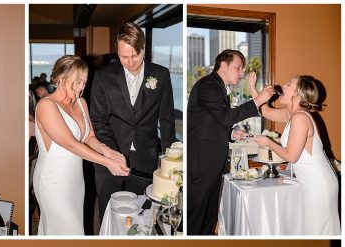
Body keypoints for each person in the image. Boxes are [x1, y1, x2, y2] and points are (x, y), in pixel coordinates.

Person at [89, 22, 177, 217]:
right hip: (109, 161)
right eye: (124, 57)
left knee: (143, 216)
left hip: (146, 161)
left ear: (143, 48)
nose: (130, 62)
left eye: (135, 55)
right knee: (109, 216)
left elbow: (167, 119)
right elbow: (98, 121)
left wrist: (170, 161)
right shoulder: (103, 76)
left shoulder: (161, 75)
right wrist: (112, 155)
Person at [34, 55, 128, 236]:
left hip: (75, 180)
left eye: (84, 82)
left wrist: (108, 152)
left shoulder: (81, 102)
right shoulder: (46, 105)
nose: (81, 88)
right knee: (67, 231)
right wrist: (106, 162)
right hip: (53, 182)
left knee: (74, 228)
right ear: (61, 79)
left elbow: (89, 137)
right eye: (76, 82)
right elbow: (70, 144)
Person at [186, 50, 276, 235]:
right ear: (224, 66)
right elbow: (226, 117)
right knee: (196, 218)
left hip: (210, 164)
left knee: (208, 217)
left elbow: (215, 121)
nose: (241, 72)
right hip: (200, 164)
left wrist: (231, 133)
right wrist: (259, 99)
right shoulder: (208, 85)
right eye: (238, 67)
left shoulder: (217, 87)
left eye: (242, 68)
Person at [249, 75, 340, 235]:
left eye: (289, 84)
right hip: (313, 182)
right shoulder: (292, 114)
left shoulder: (299, 117)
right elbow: (265, 111)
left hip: (318, 184)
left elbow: (291, 156)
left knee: (316, 231)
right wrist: (252, 87)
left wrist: (269, 143)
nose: (283, 85)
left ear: (298, 94)